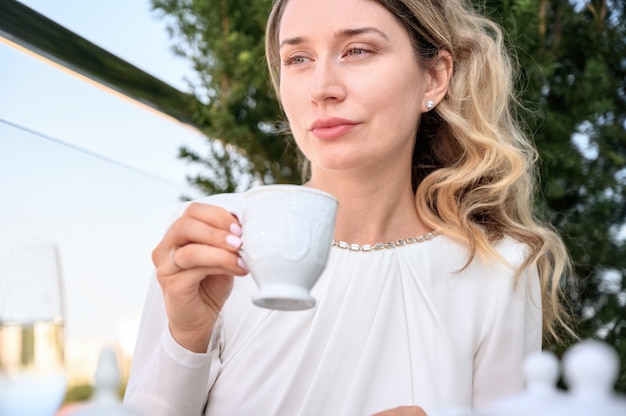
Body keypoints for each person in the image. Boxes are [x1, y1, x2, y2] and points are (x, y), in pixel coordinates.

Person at [123, 0, 573, 415]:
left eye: (357, 50)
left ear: (434, 77)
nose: (322, 89)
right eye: (298, 59)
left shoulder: (500, 266)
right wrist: (186, 338)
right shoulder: (216, 235)